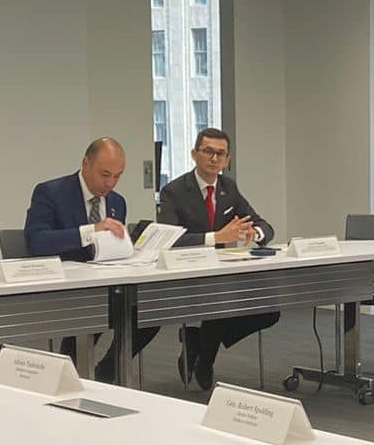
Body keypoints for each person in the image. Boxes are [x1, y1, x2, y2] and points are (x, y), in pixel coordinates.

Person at [24, 138, 156, 381]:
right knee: (93, 311)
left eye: (117, 176)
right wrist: (89, 231)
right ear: (86, 164)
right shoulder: (51, 193)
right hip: (67, 289)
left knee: (152, 311)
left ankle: (110, 370)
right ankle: (69, 374)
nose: (110, 183)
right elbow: (36, 241)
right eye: (105, 174)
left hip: (108, 285)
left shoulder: (117, 202)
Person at [155, 127, 277, 390]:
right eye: (208, 151)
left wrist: (253, 233)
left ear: (227, 160)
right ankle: (205, 358)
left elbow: (264, 225)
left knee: (270, 310)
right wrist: (216, 237)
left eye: (220, 154)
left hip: (222, 273)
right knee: (219, 304)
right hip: (187, 274)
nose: (214, 158)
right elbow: (169, 240)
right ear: (194, 154)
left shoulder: (228, 188)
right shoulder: (174, 191)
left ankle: (198, 342)